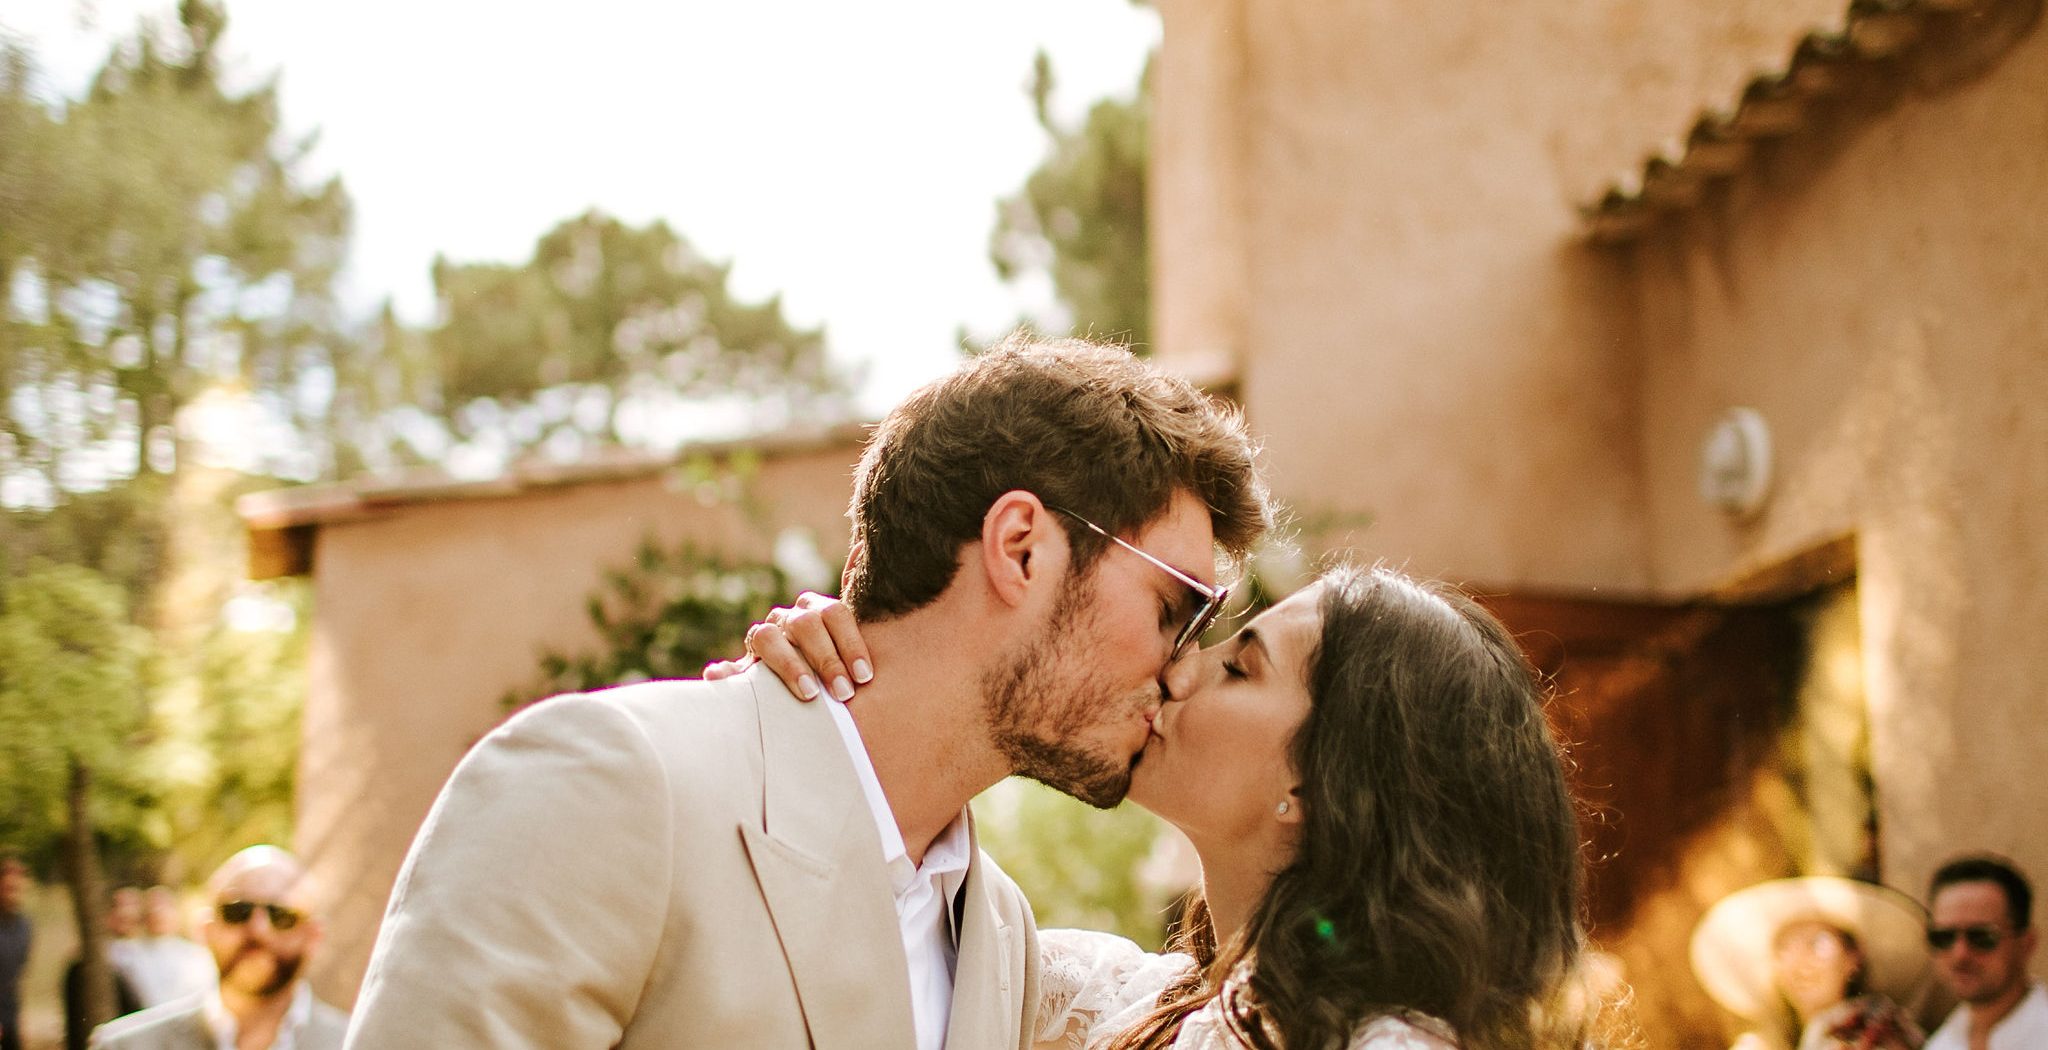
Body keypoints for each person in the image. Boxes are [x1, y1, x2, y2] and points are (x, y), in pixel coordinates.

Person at [343, 334, 1271, 1049]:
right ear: (1020, 547)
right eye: (1175, 606)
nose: (1185, 663)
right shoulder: (610, 783)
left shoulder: (1002, 937)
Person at [720, 563, 1597, 1049]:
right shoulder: (1120, 1005)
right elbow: (892, 926)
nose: (1179, 669)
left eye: (1241, 665)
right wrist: (837, 709)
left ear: (1323, 784)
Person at [90, 846, 347, 1050]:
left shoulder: (360, 1042)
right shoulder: (124, 1046)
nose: (258, 929)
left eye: (280, 915)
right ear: (204, 928)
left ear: (313, 936)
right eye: (237, 911)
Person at [1689, 876, 1928, 1050]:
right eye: (1785, 949)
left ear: (1853, 957)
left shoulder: (1872, 1026)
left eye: (1818, 945)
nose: (1801, 963)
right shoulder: (1777, 1041)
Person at [1923, 855, 2044, 1050]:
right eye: (1944, 937)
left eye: (1981, 937)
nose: (1960, 954)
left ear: (2026, 944)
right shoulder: (1943, 1043)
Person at [64, 888, 146, 1050]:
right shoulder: (84, 965)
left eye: (132, 906)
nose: (126, 913)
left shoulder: (146, 954)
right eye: (118, 907)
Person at [123, 887, 216, 1007]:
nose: (159, 912)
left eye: (164, 906)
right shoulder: (128, 954)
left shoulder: (196, 955)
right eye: (153, 907)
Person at [0, 855, 30, 1050]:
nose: (14, 893)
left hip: (11, 1013)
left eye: (17, 888)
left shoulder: (24, 927)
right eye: (9, 887)